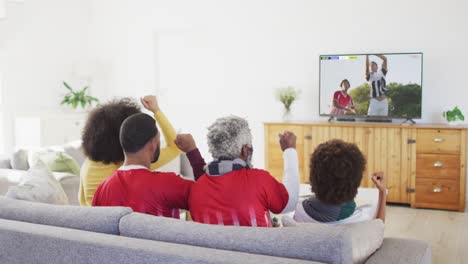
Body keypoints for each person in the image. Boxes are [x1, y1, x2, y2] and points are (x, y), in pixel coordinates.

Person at [187, 116, 300, 227]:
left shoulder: (197, 188)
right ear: (245, 150)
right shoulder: (259, 180)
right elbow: (290, 203)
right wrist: (290, 151)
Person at [79, 96, 181, 206]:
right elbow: (175, 147)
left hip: (95, 221)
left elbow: (83, 202)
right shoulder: (133, 162)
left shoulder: (87, 165)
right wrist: (156, 111)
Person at [92, 113, 193, 218]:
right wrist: (192, 152)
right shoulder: (168, 183)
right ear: (152, 144)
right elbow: (208, 193)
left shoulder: (101, 189)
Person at [293, 139, 387, 223]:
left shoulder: (297, 213)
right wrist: (382, 192)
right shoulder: (359, 221)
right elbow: (378, 227)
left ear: (313, 177)